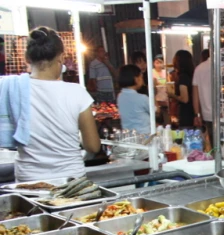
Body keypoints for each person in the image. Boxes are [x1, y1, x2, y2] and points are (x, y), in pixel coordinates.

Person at [5, 27, 100, 182]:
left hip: (28, 181)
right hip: (70, 181)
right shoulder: (77, 92)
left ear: (26, 58)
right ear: (61, 58)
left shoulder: (12, 89)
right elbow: (93, 146)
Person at [117, 64, 151, 135]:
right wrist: (152, 92)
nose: (142, 80)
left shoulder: (120, 96)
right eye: (141, 77)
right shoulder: (142, 98)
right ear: (136, 79)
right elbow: (155, 112)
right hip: (144, 135)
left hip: (128, 134)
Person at [167, 49, 194, 127]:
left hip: (186, 113)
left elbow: (184, 99)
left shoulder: (183, 77)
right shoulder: (191, 75)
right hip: (192, 110)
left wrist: (172, 95)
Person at [192, 48, 213, 150]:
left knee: (214, 145)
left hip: (208, 114)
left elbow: (195, 93)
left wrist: (197, 114)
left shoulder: (199, 68)